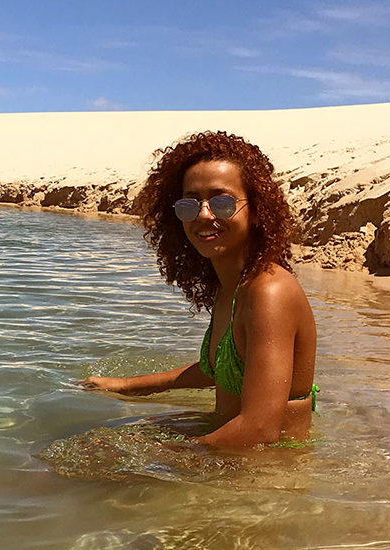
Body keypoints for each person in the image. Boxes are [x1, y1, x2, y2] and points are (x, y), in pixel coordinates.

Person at [79, 130, 317, 447]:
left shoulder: (269, 292)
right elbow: (219, 369)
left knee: (94, 458)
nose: (204, 215)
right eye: (190, 204)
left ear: (257, 209)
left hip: (266, 475)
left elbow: (260, 430)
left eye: (222, 202)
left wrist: (157, 456)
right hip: (228, 448)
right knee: (94, 439)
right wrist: (127, 386)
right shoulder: (232, 286)